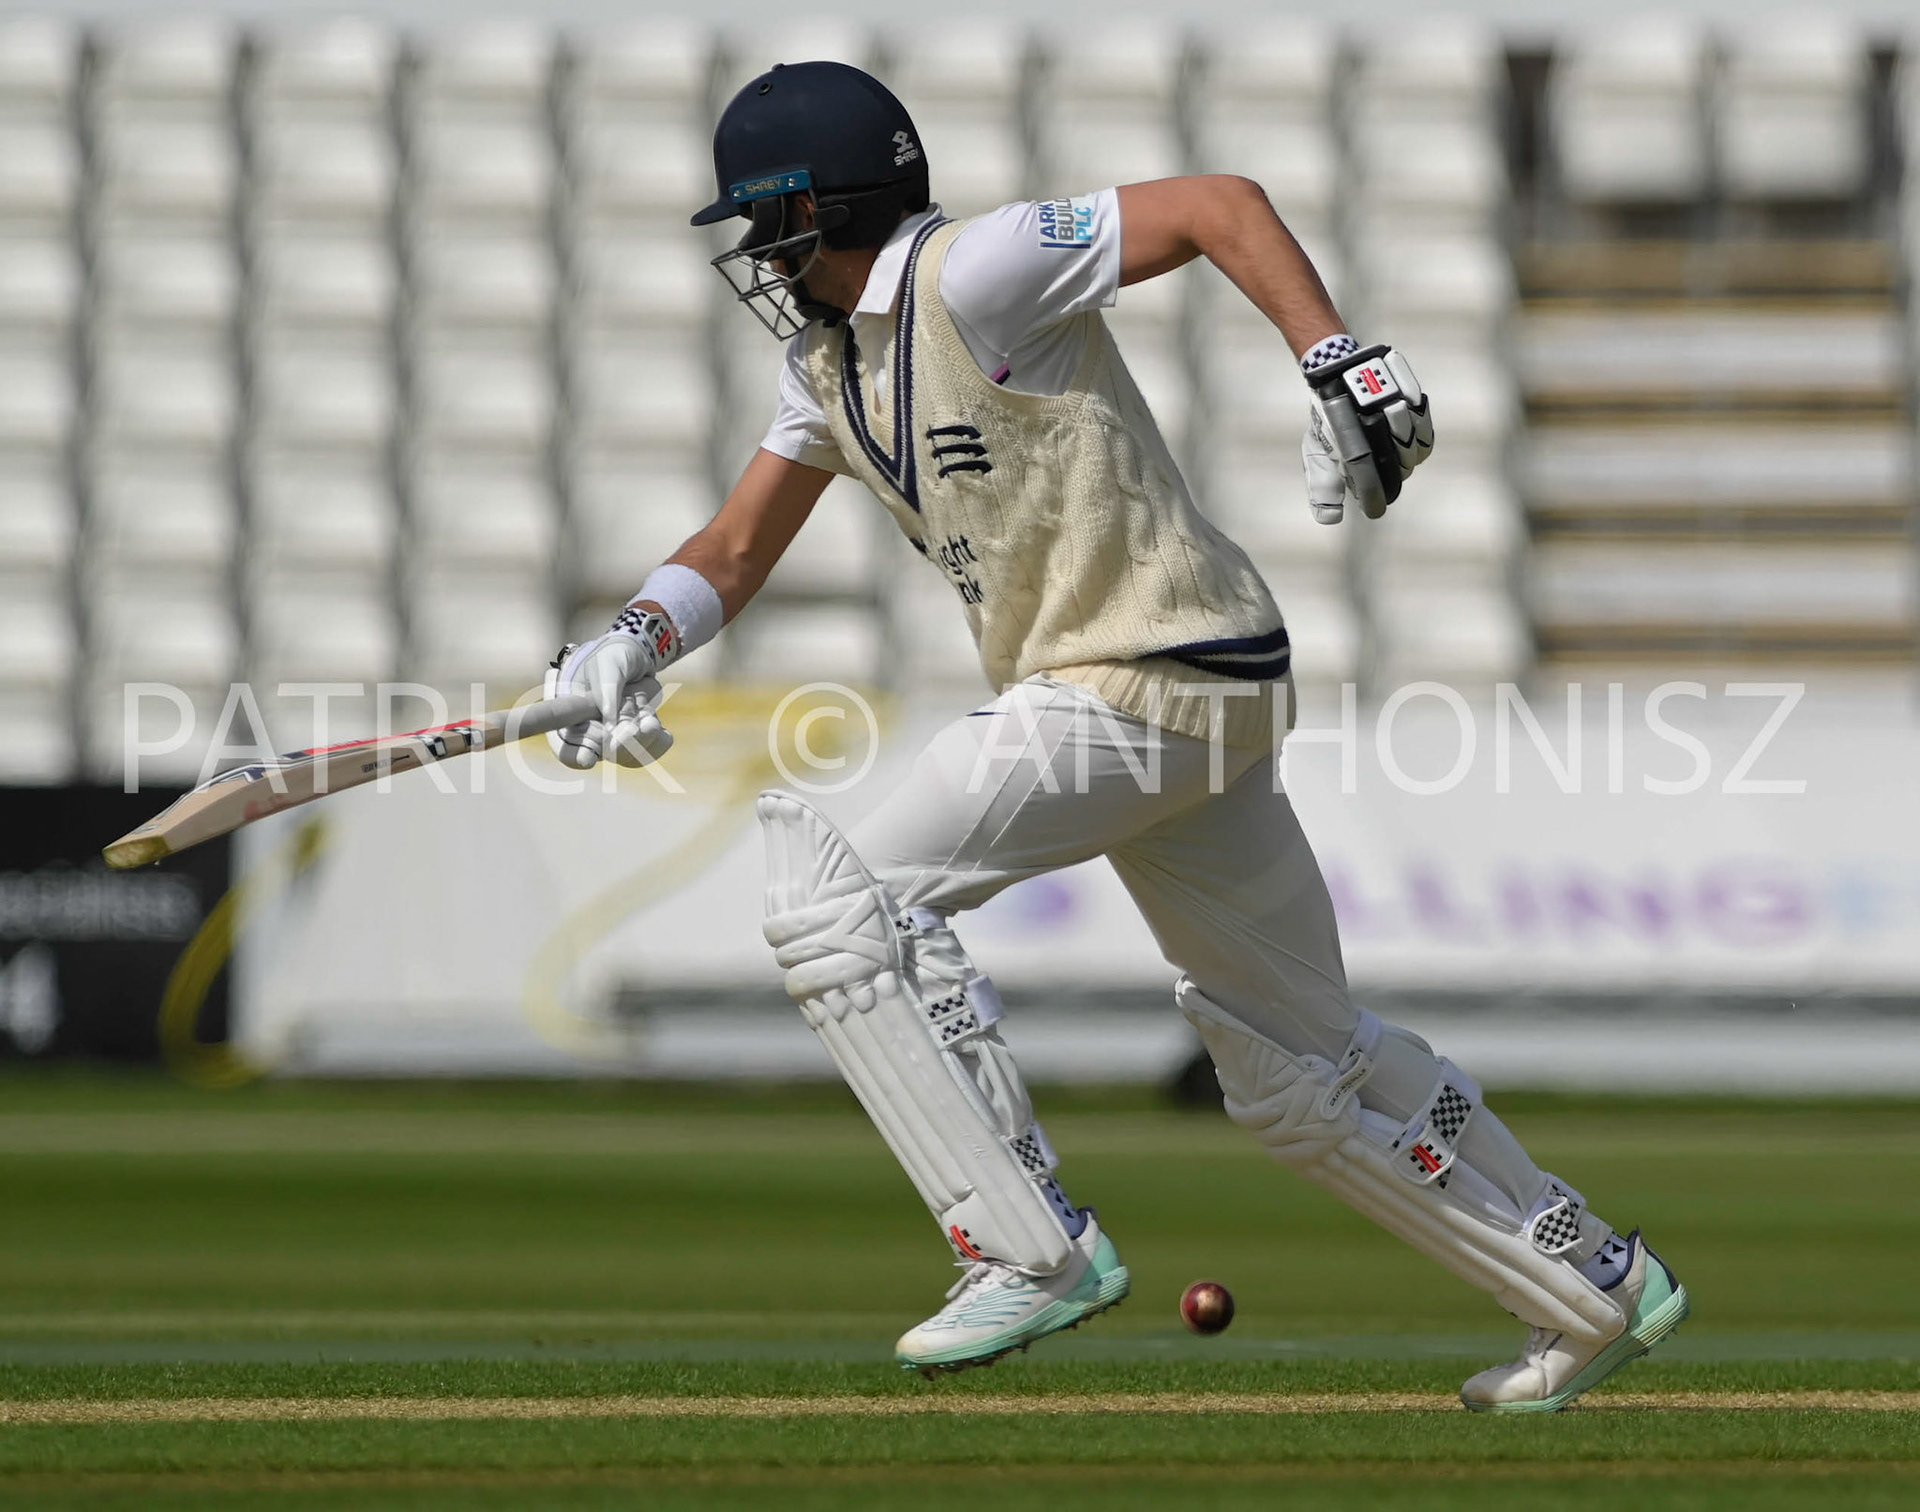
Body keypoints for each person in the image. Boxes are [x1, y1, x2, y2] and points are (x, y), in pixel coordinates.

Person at [542, 60, 1687, 1410]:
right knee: (1298, 1076)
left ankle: (1028, 1246)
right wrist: (632, 640)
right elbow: (734, 549)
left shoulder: (974, 271)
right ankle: (1591, 1279)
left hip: (1141, 671)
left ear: (823, 204)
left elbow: (1218, 205)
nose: (758, 252)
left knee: (843, 907)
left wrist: (1339, 359)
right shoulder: (827, 365)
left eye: (767, 221)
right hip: (1180, 690)